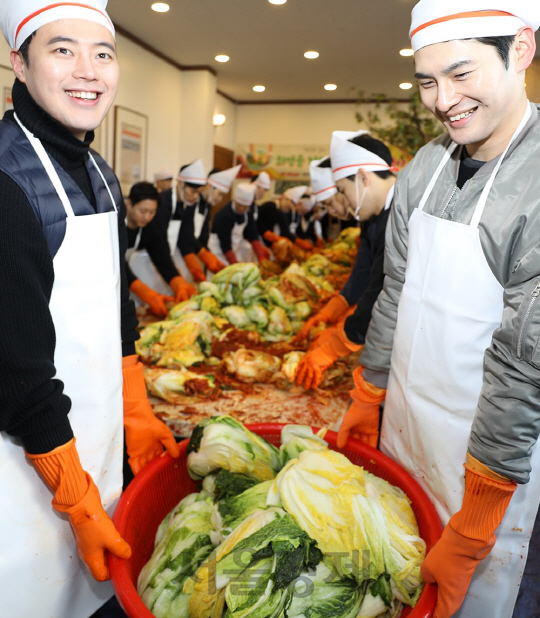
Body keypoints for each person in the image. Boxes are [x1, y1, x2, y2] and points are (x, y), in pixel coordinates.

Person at [337, 2, 540, 616]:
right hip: (405, 429)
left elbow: (522, 362)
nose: (442, 99)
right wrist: (368, 393)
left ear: (521, 51)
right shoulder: (426, 167)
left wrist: (476, 521)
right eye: (427, 81)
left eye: (461, 73)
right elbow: (395, 291)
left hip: (489, 468)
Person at [0, 1, 180, 616]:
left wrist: (134, 406)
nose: (88, 70)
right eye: (61, 50)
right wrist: (74, 496)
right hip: (27, 469)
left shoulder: (101, 172)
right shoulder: (6, 180)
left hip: (97, 444)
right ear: (19, 64)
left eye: (102, 53)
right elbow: (15, 368)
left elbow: (114, 301)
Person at [296, 135, 396, 390]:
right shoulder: (375, 215)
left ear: (363, 178)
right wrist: (331, 315)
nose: (345, 203)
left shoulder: (399, 214)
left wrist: (335, 345)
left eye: (341, 192)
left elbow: (382, 289)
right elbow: (364, 274)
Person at [125, 181, 195, 317]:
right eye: (142, 211)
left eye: (152, 212)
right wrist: (148, 295)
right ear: (129, 204)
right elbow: (118, 265)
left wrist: (179, 284)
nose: (147, 217)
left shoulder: (148, 226)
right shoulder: (114, 225)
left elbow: (162, 257)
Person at [176, 165, 241, 282]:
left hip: (194, 254)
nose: (220, 199)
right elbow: (185, 235)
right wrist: (204, 255)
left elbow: (203, 236)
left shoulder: (207, 206)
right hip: (180, 254)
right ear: (210, 186)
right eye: (219, 194)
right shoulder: (191, 201)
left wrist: (209, 257)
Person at [154, 159, 208, 282]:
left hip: (168, 258)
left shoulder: (188, 203)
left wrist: (196, 268)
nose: (195, 196)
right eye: (193, 191)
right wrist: (173, 273)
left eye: (198, 193)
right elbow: (159, 241)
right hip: (150, 259)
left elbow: (186, 236)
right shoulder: (163, 202)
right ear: (180, 184)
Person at [208, 182, 270, 264]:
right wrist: (235, 264)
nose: (243, 209)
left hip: (233, 251)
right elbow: (225, 244)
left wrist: (260, 256)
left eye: (246, 206)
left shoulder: (248, 212)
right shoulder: (224, 215)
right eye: (240, 205)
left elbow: (253, 234)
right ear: (235, 201)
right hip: (218, 253)